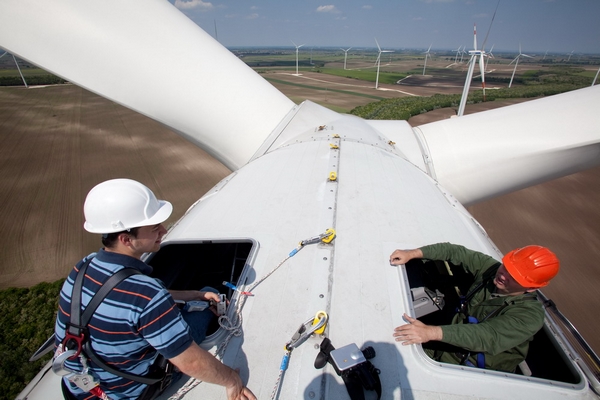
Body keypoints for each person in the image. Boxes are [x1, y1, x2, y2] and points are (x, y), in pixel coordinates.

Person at [54, 179, 256, 400]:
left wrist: (196, 294)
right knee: (206, 307)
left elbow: (131, 302)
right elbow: (190, 361)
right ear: (126, 239)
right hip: (130, 393)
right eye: (153, 228)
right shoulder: (145, 294)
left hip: (79, 391)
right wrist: (232, 380)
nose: (163, 230)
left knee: (202, 292)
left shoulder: (83, 267)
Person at [389, 242, 560, 373]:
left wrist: (430, 333)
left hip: (472, 365)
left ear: (531, 288)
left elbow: (486, 336)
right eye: (506, 267)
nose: (503, 275)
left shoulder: (529, 316)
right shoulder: (492, 271)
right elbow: (455, 252)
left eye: (514, 277)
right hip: (450, 338)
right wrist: (413, 253)